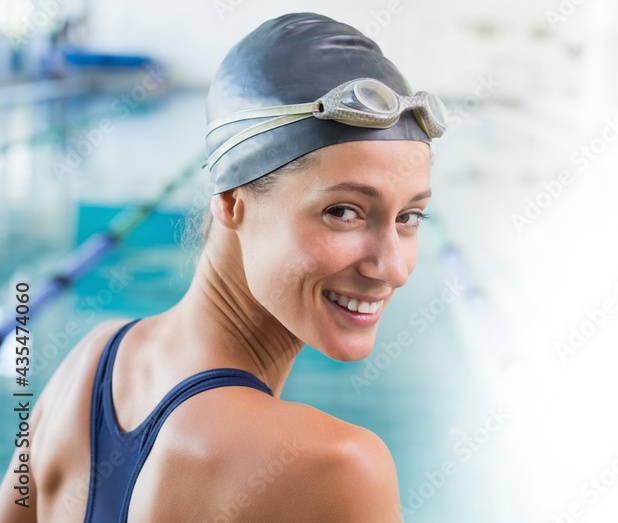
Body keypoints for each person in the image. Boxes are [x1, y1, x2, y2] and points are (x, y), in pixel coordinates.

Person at [0, 12, 448, 522]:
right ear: (233, 200)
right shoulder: (338, 468)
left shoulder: (86, 365)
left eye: (410, 217)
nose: (391, 266)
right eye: (343, 212)